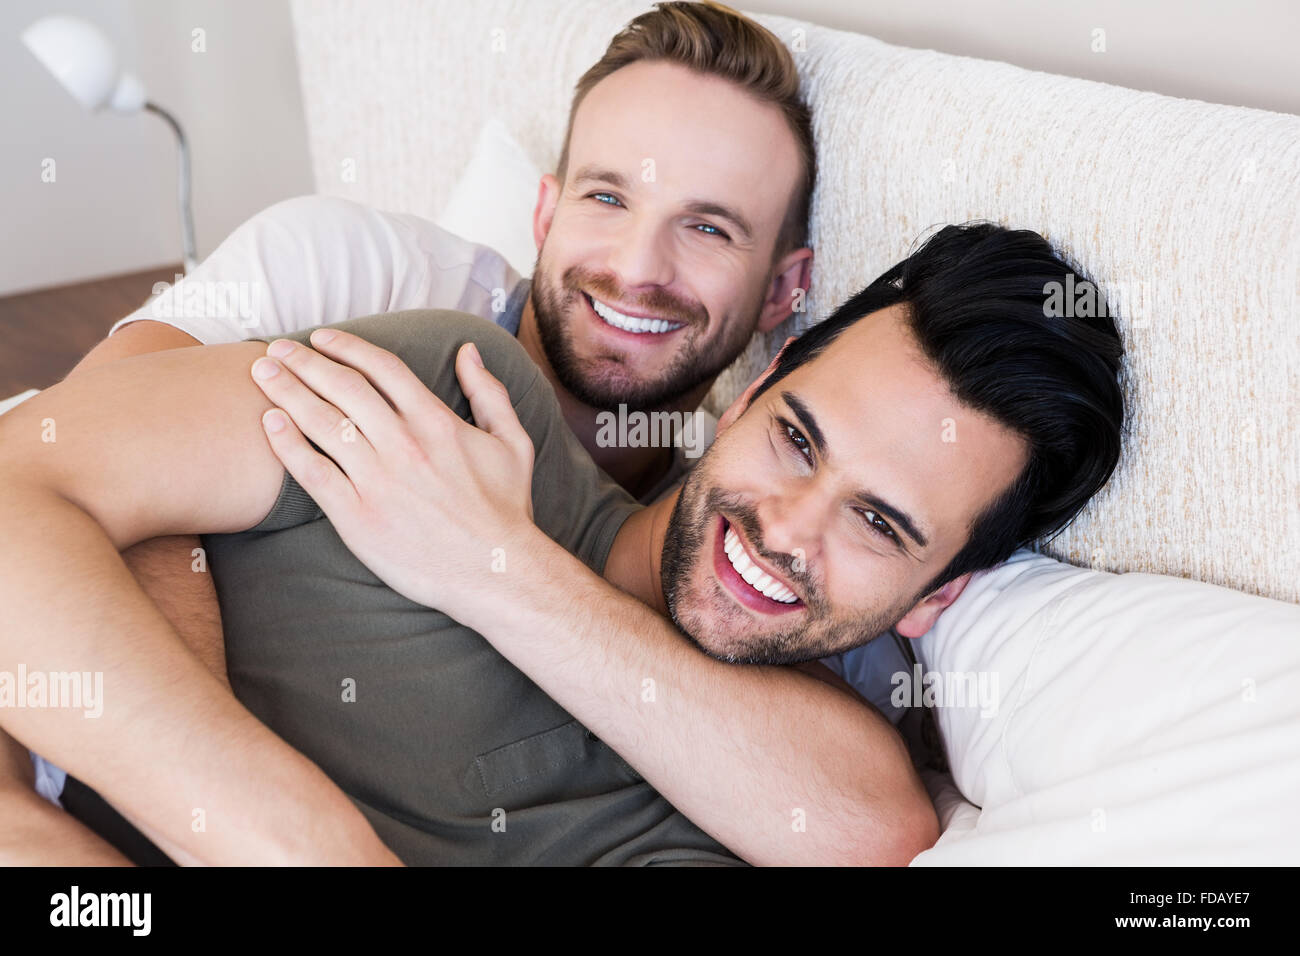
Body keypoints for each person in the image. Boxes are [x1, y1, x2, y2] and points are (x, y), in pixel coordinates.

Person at [0, 223, 1125, 865]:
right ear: (749, 394)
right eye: (795, 437)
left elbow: (871, 826)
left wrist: (499, 572)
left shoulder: (752, 808)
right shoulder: (456, 395)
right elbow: (19, 478)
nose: (782, 529)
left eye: (879, 523)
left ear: (939, 595)